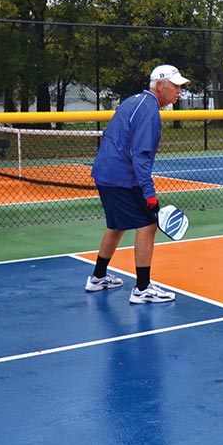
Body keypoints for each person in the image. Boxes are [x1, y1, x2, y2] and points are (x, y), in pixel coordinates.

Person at [85, 64, 189, 303]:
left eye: (180, 87)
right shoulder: (149, 110)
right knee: (148, 224)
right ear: (159, 85)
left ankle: (98, 277)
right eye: (175, 86)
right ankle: (142, 289)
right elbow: (140, 154)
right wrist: (149, 193)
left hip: (108, 174)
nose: (179, 91)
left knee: (117, 225)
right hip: (121, 177)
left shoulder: (135, 101)